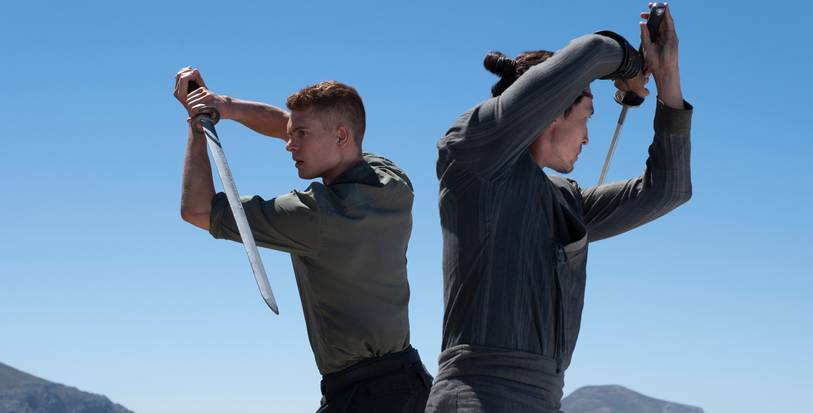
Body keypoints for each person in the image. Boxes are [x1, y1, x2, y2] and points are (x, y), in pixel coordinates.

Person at [426, 4, 692, 412]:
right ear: (553, 113)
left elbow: (668, 190)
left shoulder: (566, 200)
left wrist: (668, 75)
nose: (587, 137)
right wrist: (632, 64)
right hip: (478, 398)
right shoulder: (474, 154)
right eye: (586, 116)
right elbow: (595, 50)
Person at [173, 72, 432, 413]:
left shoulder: (314, 216)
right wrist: (226, 106)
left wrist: (197, 127)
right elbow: (287, 124)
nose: (289, 143)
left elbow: (197, 210)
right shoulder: (392, 181)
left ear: (341, 135)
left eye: (301, 135)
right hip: (412, 383)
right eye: (292, 133)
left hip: (364, 397)